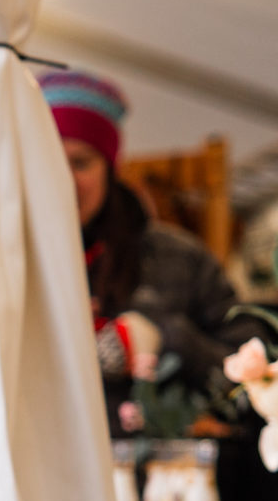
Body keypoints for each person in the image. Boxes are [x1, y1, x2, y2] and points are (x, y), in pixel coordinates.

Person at [41, 69, 247, 433]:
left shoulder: (179, 258)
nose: (65, 179)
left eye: (81, 162)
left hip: (159, 475)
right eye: (52, 161)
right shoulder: (9, 258)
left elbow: (249, 377)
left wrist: (169, 337)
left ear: (110, 167)